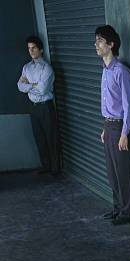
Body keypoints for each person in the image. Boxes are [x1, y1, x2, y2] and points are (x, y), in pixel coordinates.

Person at [95, 25, 130, 225]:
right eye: (96, 41)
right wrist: (104, 128)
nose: (96, 45)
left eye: (100, 41)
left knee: (122, 173)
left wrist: (125, 133)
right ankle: (117, 208)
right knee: (111, 172)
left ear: (111, 45)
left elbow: (128, 105)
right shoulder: (104, 70)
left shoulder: (121, 71)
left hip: (120, 128)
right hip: (108, 127)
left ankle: (126, 213)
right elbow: (109, 104)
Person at [17, 36, 59, 176]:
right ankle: (45, 165)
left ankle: (55, 168)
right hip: (33, 107)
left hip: (45, 107)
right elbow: (19, 86)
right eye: (29, 48)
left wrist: (29, 85)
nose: (31, 51)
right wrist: (34, 85)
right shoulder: (26, 67)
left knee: (50, 137)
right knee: (39, 137)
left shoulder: (47, 68)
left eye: (34, 47)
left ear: (40, 49)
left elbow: (43, 90)